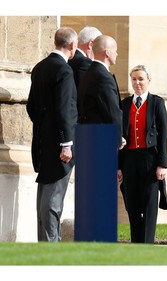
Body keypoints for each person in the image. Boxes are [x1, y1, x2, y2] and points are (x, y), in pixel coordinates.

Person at [26, 26, 78, 242]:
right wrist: (66, 143)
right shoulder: (64, 70)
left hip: (42, 140)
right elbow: (65, 108)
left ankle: (44, 247)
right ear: (72, 46)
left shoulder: (40, 67)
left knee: (46, 197)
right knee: (53, 201)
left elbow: (31, 106)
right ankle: (50, 249)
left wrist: (43, 126)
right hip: (59, 145)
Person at [118, 65, 167, 244]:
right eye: (134, 79)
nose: (137, 83)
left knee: (149, 204)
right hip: (129, 159)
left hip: (150, 159)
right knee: (132, 204)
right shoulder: (124, 104)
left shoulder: (157, 103)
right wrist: (118, 166)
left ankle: (147, 245)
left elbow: (163, 134)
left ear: (148, 80)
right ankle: (136, 244)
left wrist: (162, 164)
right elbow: (120, 136)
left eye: (141, 79)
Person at [77, 34, 125, 149]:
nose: (117, 54)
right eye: (115, 50)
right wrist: (117, 138)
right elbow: (112, 111)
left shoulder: (89, 72)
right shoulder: (103, 77)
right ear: (107, 52)